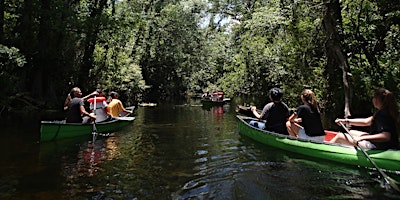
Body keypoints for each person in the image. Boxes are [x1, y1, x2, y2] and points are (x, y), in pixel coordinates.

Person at [330, 88, 399, 150]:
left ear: (376, 99)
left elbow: (386, 136)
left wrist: (362, 138)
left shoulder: (382, 115)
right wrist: (346, 121)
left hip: (378, 146)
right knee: (351, 132)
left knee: (339, 136)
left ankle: (324, 151)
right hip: (388, 144)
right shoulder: (389, 111)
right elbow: (366, 122)